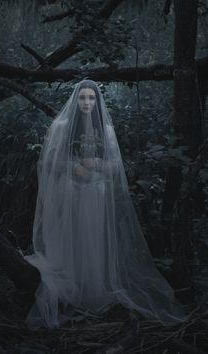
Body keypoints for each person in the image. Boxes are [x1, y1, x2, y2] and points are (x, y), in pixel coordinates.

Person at [23, 79, 188, 329]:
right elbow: (49, 161)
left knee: (93, 241)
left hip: (95, 195)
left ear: (97, 101)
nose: (87, 102)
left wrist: (97, 165)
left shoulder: (105, 131)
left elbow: (115, 168)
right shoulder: (63, 126)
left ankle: (91, 290)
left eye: (91, 98)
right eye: (83, 98)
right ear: (76, 100)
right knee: (74, 239)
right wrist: (74, 166)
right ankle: (71, 289)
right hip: (69, 196)